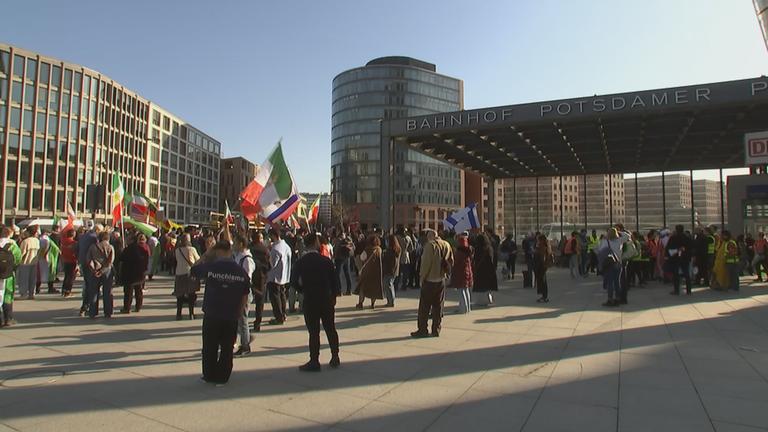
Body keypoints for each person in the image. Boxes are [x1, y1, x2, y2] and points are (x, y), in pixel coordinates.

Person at [191, 241, 250, 385]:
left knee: (209, 346)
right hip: (230, 314)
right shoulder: (240, 271)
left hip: (212, 312)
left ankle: (209, 374)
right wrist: (239, 312)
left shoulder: (212, 267)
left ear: (216, 251)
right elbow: (245, 293)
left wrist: (205, 254)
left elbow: (193, 270)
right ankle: (223, 376)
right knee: (226, 348)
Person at [292, 232, 341, 372]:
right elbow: (335, 282)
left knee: (314, 332)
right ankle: (335, 356)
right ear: (315, 243)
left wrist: (303, 290)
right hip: (326, 299)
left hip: (310, 299)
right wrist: (334, 297)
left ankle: (314, 360)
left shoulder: (300, 262)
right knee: (330, 328)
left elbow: (294, 282)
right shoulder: (326, 261)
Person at [411, 229, 453, 338]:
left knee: (424, 307)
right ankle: (436, 329)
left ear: (430, 236)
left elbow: (425, 264)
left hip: (430, 280)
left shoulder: (430, 246)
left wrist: (422, 277)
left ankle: (422, 329)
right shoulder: (446, 245)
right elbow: (451, 261)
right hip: (441, 279)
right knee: (438, 306)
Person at [232, 234, 255, 357]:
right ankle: (245, 337)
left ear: (241, 244)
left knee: (243, 319)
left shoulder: (247, 259)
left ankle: (245, 346)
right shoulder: (239, 256)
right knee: (238, 319)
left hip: (243, 293)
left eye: (236, 242)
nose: (233, 245)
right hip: (237, 292)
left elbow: (247, 279)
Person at [86, 231, 115, 318]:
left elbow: (88, 259)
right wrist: (103, 270)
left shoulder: (92, 247)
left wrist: (94, 270)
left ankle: (93, 312)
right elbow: (110, 261)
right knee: (107, 292)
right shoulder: (110, 247)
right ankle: (108, 311)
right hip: (107, 272)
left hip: (95, 270)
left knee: (94, 291)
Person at [598, 227, 630, 307]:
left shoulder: (605, 241)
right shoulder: (620, 241)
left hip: (609, 264)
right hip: (618, 263)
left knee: (610, 282)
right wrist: (618, 232)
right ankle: (618, 298)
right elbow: (628, 236)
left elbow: (600, 251)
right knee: (617, 282)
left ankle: (610, 299)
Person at [119, 233, 150, 314]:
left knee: (128, 292)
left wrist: (122, 251)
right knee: (138, 290)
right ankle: (138, 306)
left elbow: (121, 258)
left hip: (130, 273)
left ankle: (127, 308)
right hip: (140, 272)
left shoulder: (130, 248)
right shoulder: (143, 248)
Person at [267, 229, 292, 325]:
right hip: (284, 276)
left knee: (275, 298)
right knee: (282, 296)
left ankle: (278, 317)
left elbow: (272, 264)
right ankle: (283, 314)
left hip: (274, 277)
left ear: (274, 236)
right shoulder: (286, 246)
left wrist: (269, 253)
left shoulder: (276, 249)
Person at [174, 233, 201, 320]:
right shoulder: (192, 249)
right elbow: (198, 260)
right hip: (189, 273)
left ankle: (179, 314)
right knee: (191, 295)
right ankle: (191, 314)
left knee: (180, 295)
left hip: (179, 273)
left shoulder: (177, 250)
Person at [77, 224, 101, 316]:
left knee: (87, 284)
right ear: (98, 230)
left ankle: (85, 306)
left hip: (83, 262)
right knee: (92, 286)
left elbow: (77, 249)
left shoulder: (83, 236)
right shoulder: (94, 238)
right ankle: (87, 307)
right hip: (91, 264)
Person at [248, 231, 270, 332]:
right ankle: (258, 321)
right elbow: (269, 265)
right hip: (261, 277)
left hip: (249, 276)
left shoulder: (248, 248)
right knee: (259, 302)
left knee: (245, 300)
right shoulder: (265, 250)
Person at [355, 234, 384, 309]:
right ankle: (372, 304)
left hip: (367, 272)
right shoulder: (379, 249)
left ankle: (360, 303)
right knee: (374, 289)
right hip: (376, 272)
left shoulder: (367, 249)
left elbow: (362, 258)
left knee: (363, 288)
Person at [0, 226, 21, 327]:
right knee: (7, 295)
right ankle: (8, 318)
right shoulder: (13, 245)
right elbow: (18, 259)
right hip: (8, 275)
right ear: (10, 234)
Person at [472, 233, 498, 306]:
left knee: (480, 286)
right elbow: (494, 258)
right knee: (488, 286)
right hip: (489, 269)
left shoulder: (478, 248)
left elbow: (475, 259)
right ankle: (489, 299)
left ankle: (480, 301)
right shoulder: (490, 248)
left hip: (480, 269)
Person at [450, 234, 473, 314]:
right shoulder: (468, 251)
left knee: (461, 291)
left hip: (461, 273)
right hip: (467, 273)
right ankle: (467, 307)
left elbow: (455, 263)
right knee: (466, 290)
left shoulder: (459, 253)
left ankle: (463, 308)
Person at [666, 225, 692, 295]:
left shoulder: (673, 238)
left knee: (676, 274)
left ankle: (676, 290)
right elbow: (691, 247)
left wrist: (668, 255)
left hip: (676, 258)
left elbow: (668, 247)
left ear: (676, 229)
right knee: (686, 273)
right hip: (685, 257)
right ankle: (689, 290)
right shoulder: (687, 238)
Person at [17, 226, 41, 300]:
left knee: (24, 279)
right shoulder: (37, 240)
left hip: (25, 263)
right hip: (34, 262)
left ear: (28, 232)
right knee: (32, 279)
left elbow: (21, 253)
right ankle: (31, 293)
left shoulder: (26, 241)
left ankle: (23, 293)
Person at [533, 234, 554, 302]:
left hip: (541, 266)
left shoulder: (542, 246)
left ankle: (544, 296)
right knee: (543, 280)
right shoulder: (547, 245)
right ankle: (544, 296)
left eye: (538, 239)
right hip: (544, 265)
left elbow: (542, 257)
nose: (537, 240)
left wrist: (535, 251)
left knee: (542, 281)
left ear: (540, 240)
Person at [382, 234, 400, 308]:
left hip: (389, 270)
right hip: (394, 270)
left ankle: (391, 301)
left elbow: (388, 261)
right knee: (390, 285)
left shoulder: (390, 251)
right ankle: (391, 300)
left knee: (388, 286)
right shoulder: (397, 249)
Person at [60, 228, 78, 297]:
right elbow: (76, 252)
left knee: (66, 276)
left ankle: (63, 290)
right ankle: (68, 291)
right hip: (72, 260)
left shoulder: (63, 241)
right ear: (73, 234)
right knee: (71, 277)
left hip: (65, 260)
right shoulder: (74, 243)